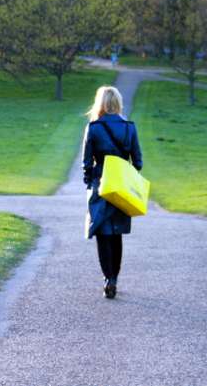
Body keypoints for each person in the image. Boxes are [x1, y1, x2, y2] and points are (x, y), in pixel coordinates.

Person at [82, 86, 143, 299]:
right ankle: (114, 278)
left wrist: (90, 183)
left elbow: (86, 163)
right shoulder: (129, 127)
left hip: (100, 184)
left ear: (100, 103)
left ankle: (107, 278)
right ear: (117, 103)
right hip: (122, 185)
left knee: (101, 232)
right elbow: (138, 161)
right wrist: (126, 175)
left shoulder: (94, 127)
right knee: (116, 234)